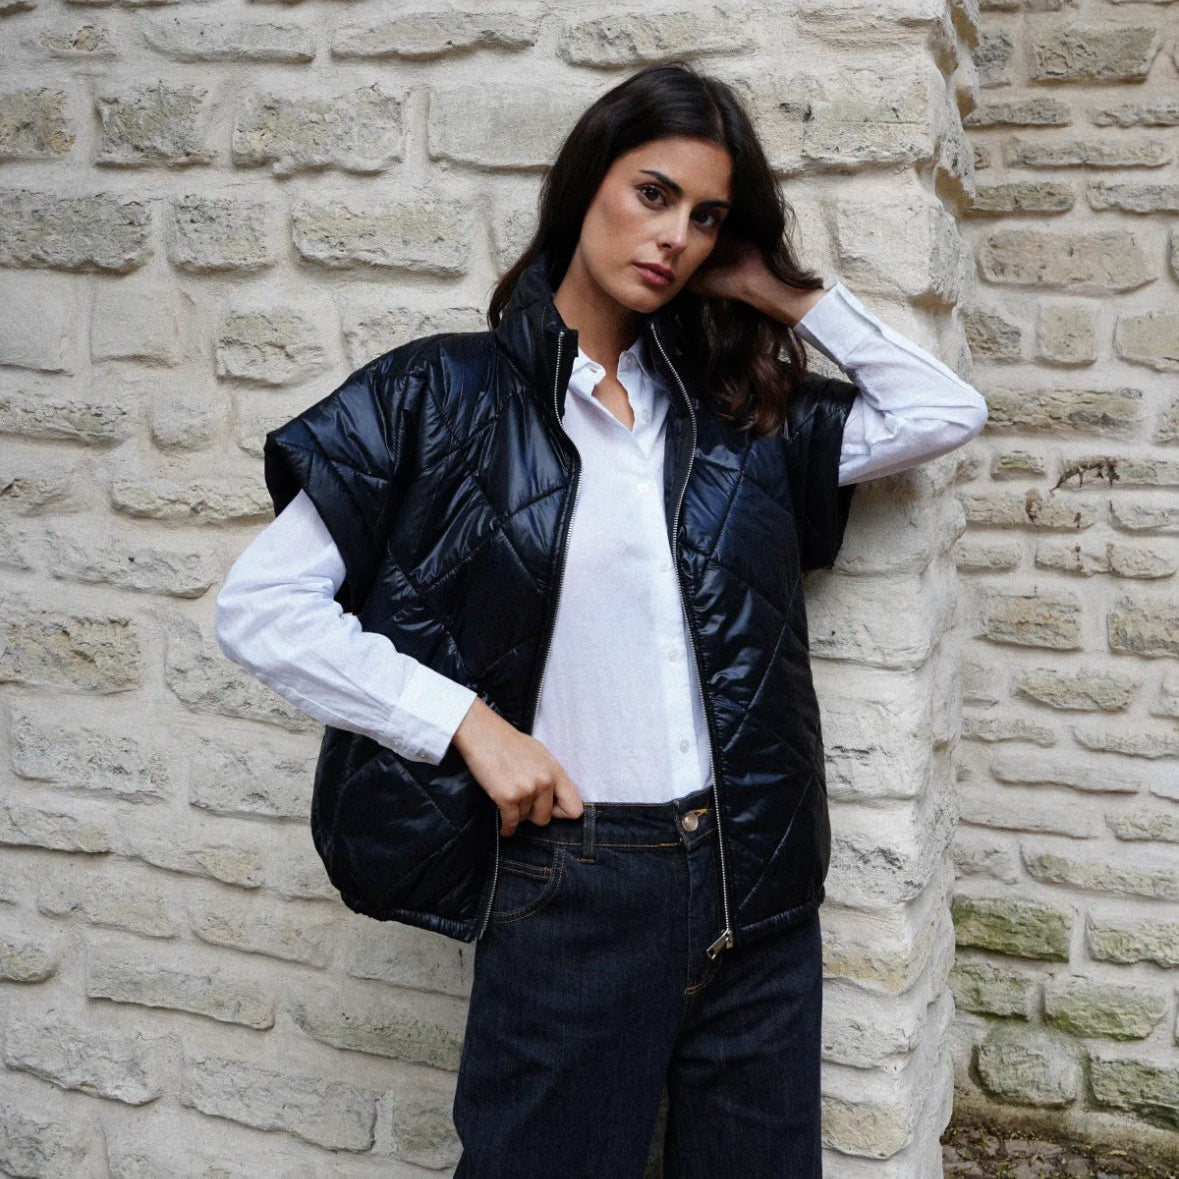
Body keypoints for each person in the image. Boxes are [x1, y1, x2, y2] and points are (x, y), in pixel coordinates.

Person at [216, 62, 987, 1179]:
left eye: (706, 216)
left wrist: (782, 292)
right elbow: (261, 609)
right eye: (653, 193)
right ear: (586, 186)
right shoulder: (439, 395)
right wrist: (467, 725)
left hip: (755, 887)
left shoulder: (738, 423)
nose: (674, 236)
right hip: (572, 884)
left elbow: (942, 411)